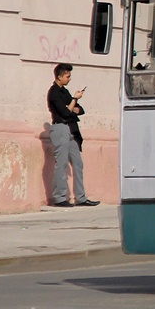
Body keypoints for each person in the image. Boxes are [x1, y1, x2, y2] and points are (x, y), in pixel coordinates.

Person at [47, 63, 98, 207]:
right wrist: (74, 100)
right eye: (67, 76)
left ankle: (81, 197)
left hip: (72, 129)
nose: (69, 79)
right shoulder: (54, 92)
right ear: (60, 76)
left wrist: (71, 106)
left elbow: (80, 110)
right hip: (60, 128)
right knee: (61, 164)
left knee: (78, 164)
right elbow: (64, 113)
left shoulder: (65, 92)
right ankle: (59, 197)